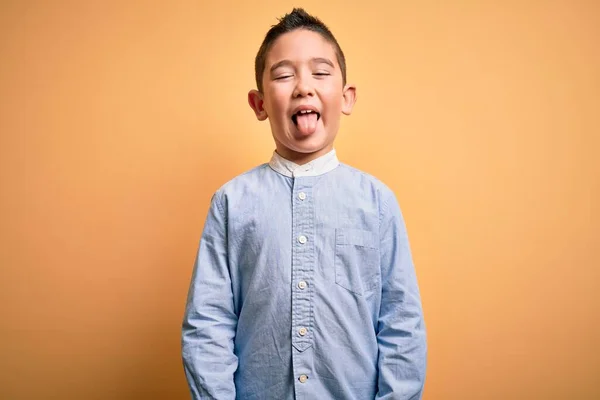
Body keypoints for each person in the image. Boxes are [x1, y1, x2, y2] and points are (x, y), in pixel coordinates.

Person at [182, 8, 427, 399]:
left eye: (321, 72)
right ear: (259, 104)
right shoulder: (231, 203)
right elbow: (208, 324)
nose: (303, 87)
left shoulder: (376, 201)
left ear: (346, 98)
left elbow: (401, 322)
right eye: (283, 75)